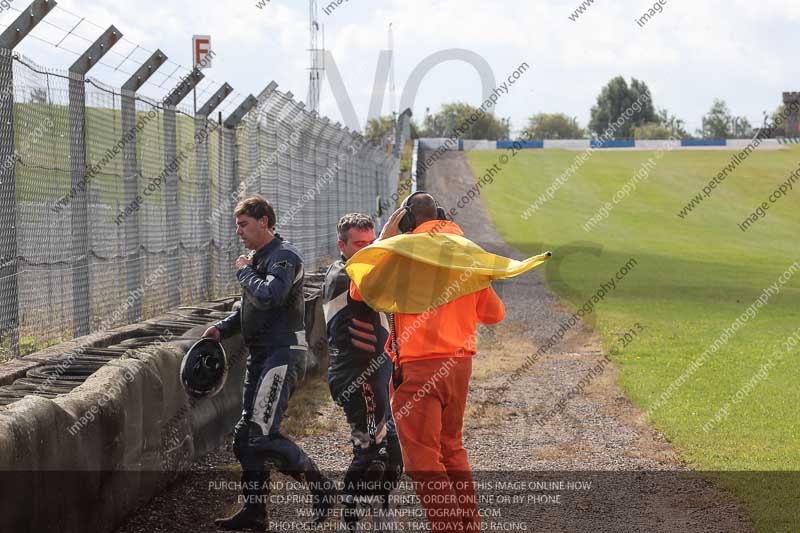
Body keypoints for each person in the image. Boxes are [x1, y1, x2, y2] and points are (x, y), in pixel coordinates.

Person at [351, 193, 506, 533]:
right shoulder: (465, 256)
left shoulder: (402, 255)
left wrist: (384, 241)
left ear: (407, 221)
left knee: (423, 459)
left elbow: (359, 290)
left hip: (418, 368)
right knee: (451, 449)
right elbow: (494, 314)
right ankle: (468, 526)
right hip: (459, 366)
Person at [203, 195, 335, 531]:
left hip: (283, 353)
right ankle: (255, 511)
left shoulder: (284, 256)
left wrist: (245, 272)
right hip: (261, 356)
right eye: (237, 225)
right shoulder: (258, 258)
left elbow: (269, 295)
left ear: (264, 222)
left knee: (261, 434)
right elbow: (249, 308)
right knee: (245, 438)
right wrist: (222, 328)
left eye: (244, 224)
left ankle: (321, 485)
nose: (239, 232)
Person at [322, 213, 404, 530]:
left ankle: (381, 507)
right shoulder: (342, 275)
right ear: (341, 245)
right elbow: (368, 279)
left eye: (370, 243)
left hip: (377, 376)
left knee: (393, 453)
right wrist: (386, 237)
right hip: (356, 379)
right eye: (360, 244)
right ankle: (350, 517)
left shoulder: (367, 272)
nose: (367, 249)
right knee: (370, 451)